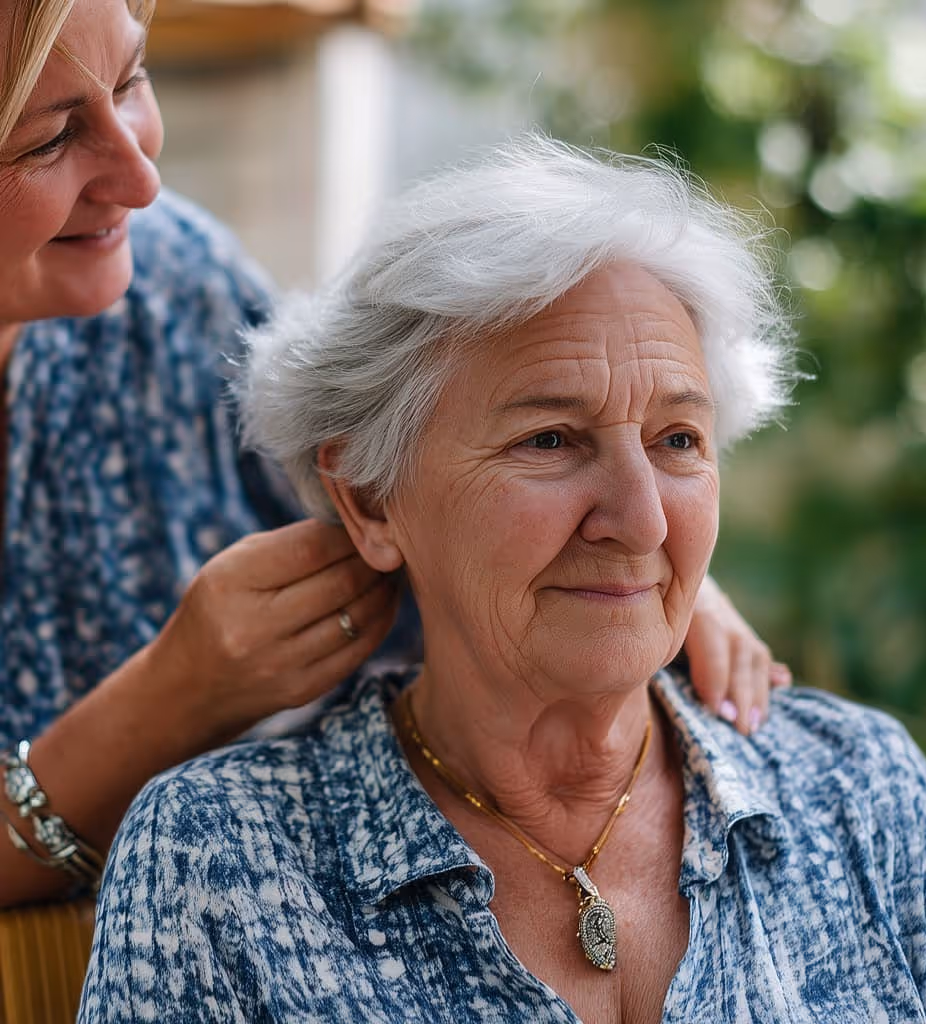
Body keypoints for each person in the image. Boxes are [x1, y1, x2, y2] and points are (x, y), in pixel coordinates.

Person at [79, 136, 926, 1023]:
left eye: (678, 441)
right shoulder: (220, 855)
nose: (643, 519)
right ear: (367, 498)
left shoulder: (863, 789)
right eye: (550, 440)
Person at [0, 0, 783, 908]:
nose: (140, 177)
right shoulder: (214, 855)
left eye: (133, 79)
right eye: (49, 139)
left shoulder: (170, 277)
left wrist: (642, 549)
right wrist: (168, 700)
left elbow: (397, 451)